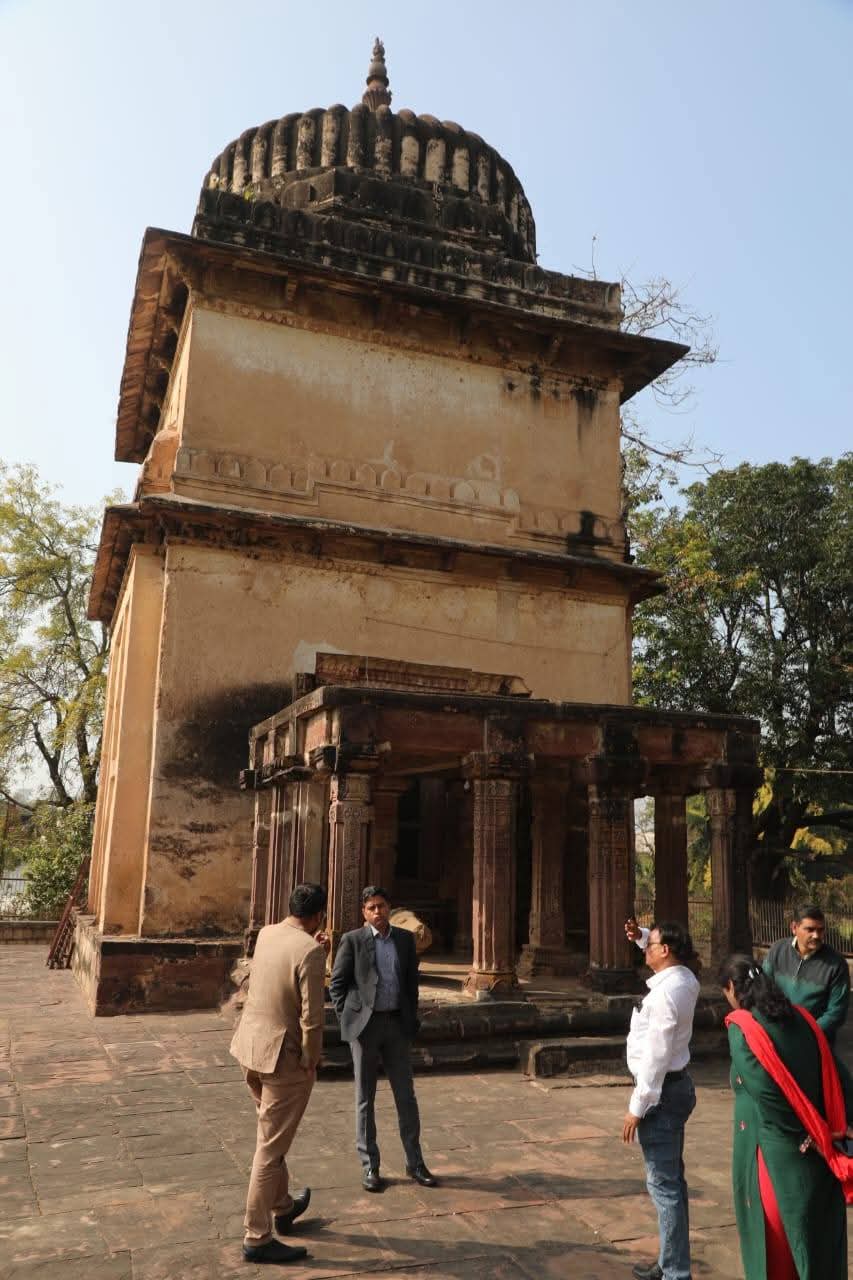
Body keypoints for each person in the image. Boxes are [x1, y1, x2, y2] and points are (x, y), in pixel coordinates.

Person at [720, 954, 853, 1280]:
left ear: (732, 988)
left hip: (774, 1152)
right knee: (814, 1248)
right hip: (818, 1154)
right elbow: (838, 1075)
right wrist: (836, 1128)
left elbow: (766, 1091)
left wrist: (803, 1132)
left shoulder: (743, 1027)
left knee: (776, 1257)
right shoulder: (805, 1019)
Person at [230, 882, 328, 1265]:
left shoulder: (268, 933)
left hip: (250, 1047)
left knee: (271, 1134)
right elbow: (313, 1017)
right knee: (269, 1150)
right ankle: (257, 1236)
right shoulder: (311, 950)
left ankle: (284, 1206)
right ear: (319, 915)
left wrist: (315, 950)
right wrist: (311, 1058)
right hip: (282, 1059)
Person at [329, 885, 437, 1192]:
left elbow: (410, 983)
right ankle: (370, 1166)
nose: (378, 912)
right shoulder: (353, 941)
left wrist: (410, 1016)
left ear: (390, 908)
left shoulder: (403, 940)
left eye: (382, 906)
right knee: (365, 1098)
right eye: (372, 907)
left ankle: (415, 1161)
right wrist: (349, 1017)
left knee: (406, 1095)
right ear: (364, 912)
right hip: (366, 1027)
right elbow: (337, 984)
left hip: (396, 1025)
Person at [622, 918, 701, 1280]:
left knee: (663, 1185)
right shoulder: (684, 979)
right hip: (677, 1087)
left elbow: (656, 1055)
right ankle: (671, 1262)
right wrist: (642, 937)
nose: (646, 950)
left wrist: (637, 1107)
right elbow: (658, 951)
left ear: (665, 951)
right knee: (673, 1181)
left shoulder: (667, 993)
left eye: (650, 945)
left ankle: (676, 1273)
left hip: (662, 1093)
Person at [762, 903, 850, 1044]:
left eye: (820, 930)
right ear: (794, 928)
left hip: (814, 1043)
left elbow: (836, 1012)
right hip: (776, 1036)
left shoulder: (836, 964)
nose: (816, 935)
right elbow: (763, 989)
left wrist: (807, 1034)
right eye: (810, 929)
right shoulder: (777, 950)